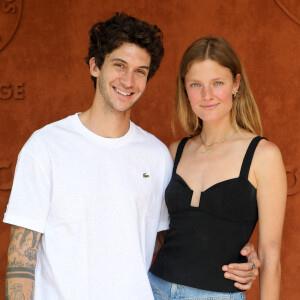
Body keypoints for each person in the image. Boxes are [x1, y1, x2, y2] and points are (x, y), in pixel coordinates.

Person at [4, 14, 259, 300]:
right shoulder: (46, 146)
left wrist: (240, 253)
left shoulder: (156, 155)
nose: (128, 80)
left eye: (140, 71)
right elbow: (21, 260)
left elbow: (176, 240)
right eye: (119, 65)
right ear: (95, 66)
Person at [149, 36, 287, 300]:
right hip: (154, 288)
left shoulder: (262, 155)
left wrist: (249, 257)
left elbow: (270, 256)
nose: (207, 95)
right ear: (185, 89)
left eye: (218, 83)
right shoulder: (174, 152)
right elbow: (159, 234)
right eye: (196, 85)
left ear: (236, 84)